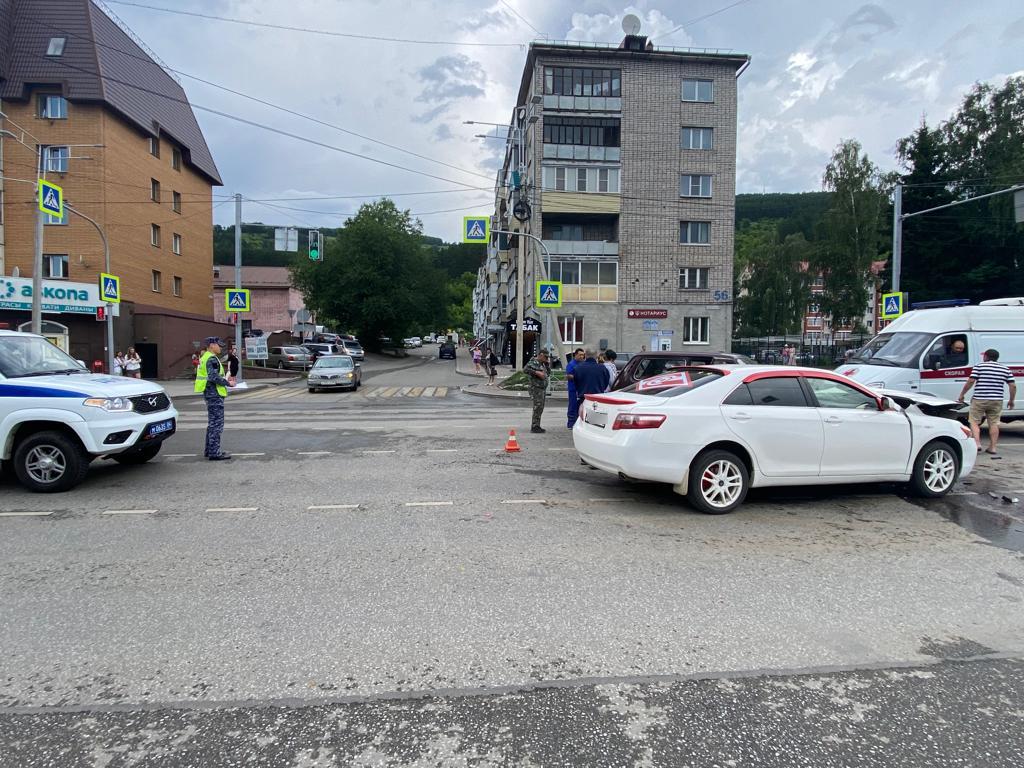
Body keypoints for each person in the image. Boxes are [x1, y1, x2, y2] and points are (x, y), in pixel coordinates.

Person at [958, 348, 1016, 455]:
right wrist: (1011, 400)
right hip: (996, 400)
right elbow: (1012, 385)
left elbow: (971, 381)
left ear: (985, 356)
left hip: (979, 399)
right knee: (994, 423)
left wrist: (962, 395)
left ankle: (977, 444)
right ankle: (992, 447)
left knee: (974, 422)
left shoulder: (979, 366)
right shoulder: (1005, 369)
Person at [195, 336, 236, 460]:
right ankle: (214, 452)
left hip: (209, 393)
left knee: (212, 423)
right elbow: (213, 377)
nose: (220, 347)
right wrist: (229, 383)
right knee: (216, 424)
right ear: (212, 345)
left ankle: (210, 450)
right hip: (214, 394)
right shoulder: (211, 358)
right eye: (218, 345)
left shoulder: (205, 357)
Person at [525, 348, 551, 433]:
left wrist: (547, 365)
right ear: (540, 355)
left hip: (541, 388)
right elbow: (525, 369)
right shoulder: (533, 362)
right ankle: (535, 426)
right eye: (545, 357)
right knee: (537, 407)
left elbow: (548, 374)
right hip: (536, 388)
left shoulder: (543, 363)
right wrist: (537, 372)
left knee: (540, 407)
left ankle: (537, 425)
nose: (546, 359)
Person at [565, 348, 585, 428]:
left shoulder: (582, 364)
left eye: (583, 355)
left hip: (581, 389)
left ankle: (578, 423)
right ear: (575, 355)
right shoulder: (571, 364)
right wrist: (578, 377)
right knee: (573, 406)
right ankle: (571, 424)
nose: (581, 356)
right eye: (580, 355)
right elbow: (568, 376)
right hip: (573, 389)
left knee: (580, 406)